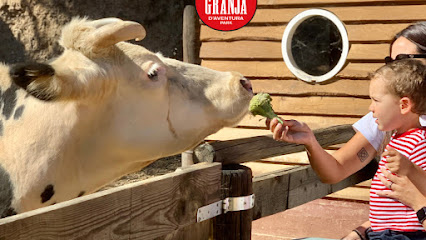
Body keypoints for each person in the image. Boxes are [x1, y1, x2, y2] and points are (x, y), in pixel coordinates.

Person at [267, 22, 426, 239]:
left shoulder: (413, 135)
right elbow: (336, 170)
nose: (393, 70)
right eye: (389, 62)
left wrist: (418, 201)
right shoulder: (386, 121)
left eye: (402, 61)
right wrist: (310, 142)